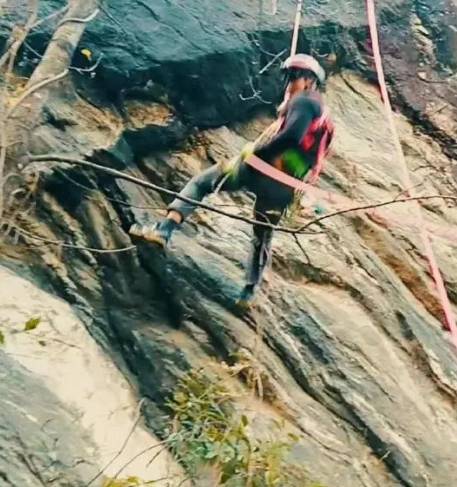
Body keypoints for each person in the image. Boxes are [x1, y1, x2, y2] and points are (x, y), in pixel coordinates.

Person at [128, 54, 334, 309]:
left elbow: (292, 135)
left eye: (293, 77)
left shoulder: (303, 100)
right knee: (263, 233)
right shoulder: (322, 118)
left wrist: (257, 155)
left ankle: (163, 230)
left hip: (261, 170)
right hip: (284, 188)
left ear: (309, 81)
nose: (288, 84)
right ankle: (249, 292)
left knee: (202, 183)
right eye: (288, 78)